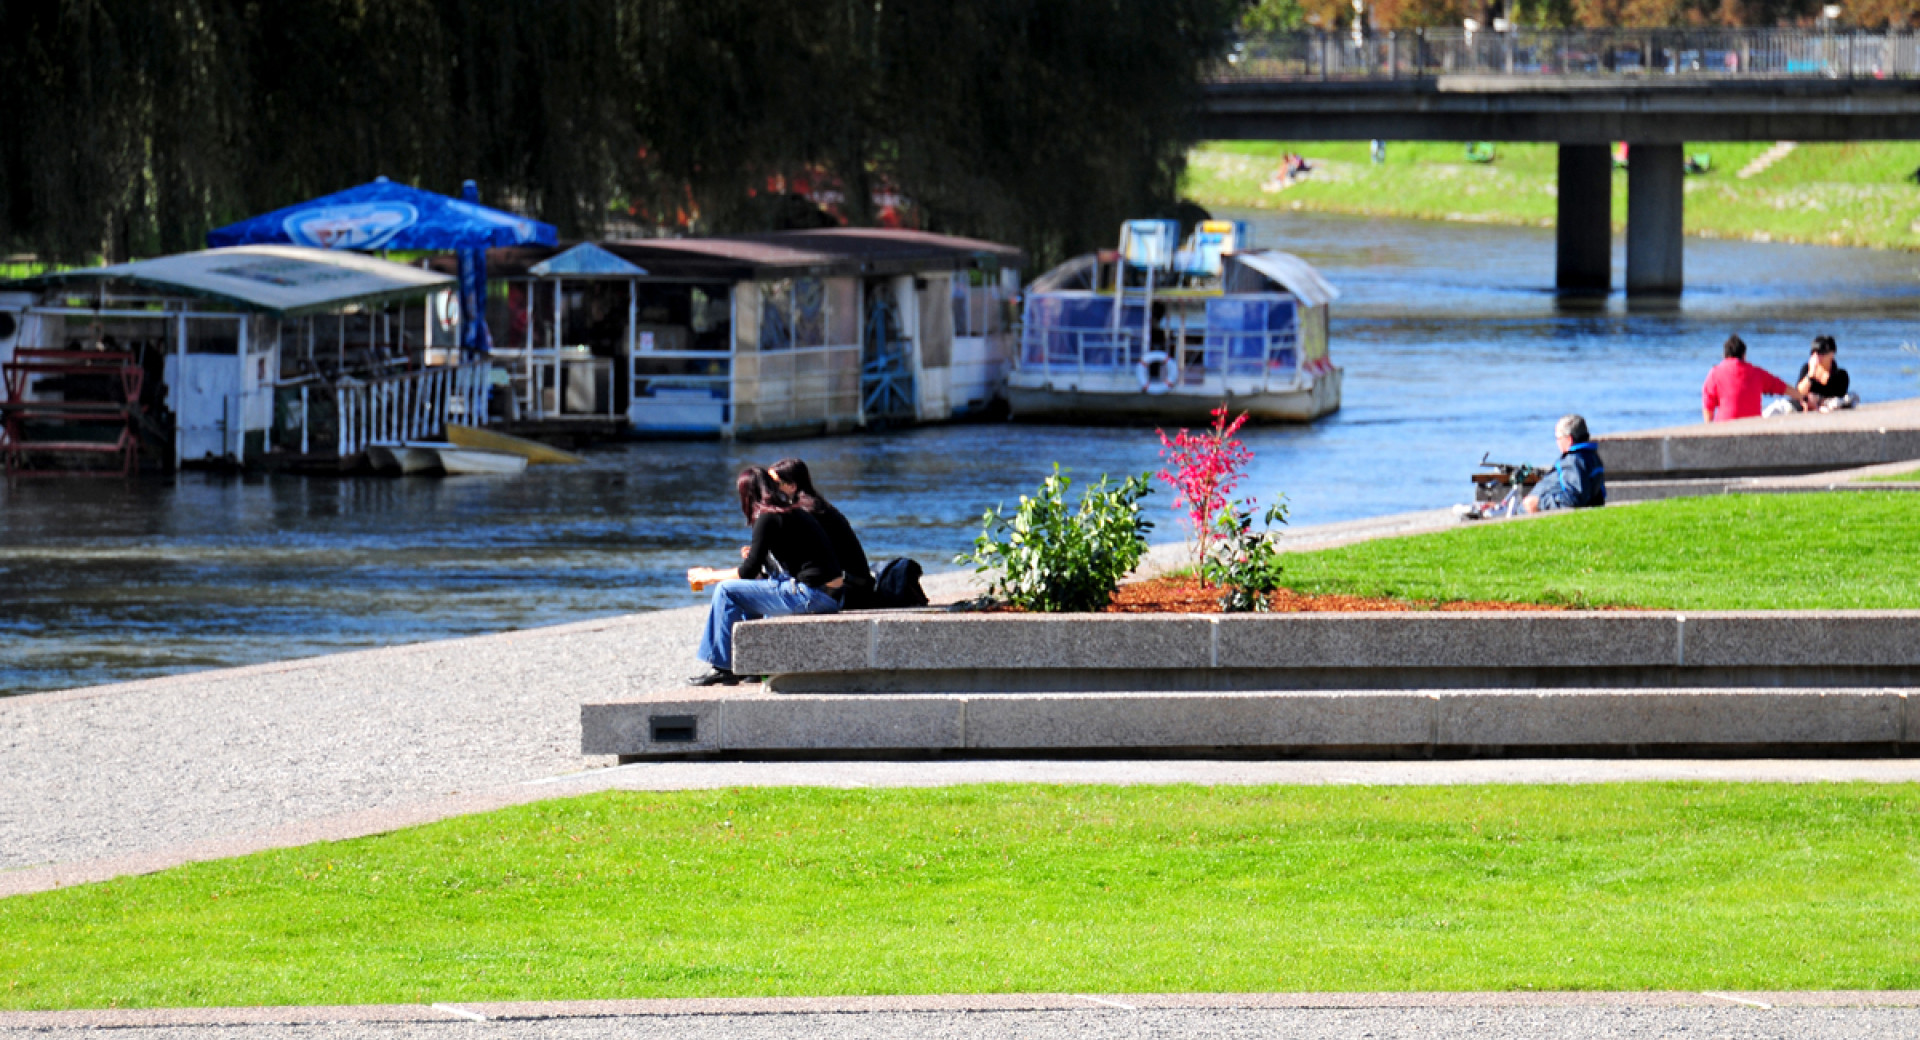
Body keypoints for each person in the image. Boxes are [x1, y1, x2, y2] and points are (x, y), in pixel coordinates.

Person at [691, 467, 844, 686]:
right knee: (750, 589)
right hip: (830, 594)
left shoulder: (767, 517)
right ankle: (751, 665)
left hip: (811, 595)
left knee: (726, 590)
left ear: (747, 494)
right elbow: (783, 561)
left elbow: (747, 571)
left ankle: (723, 666)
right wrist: (755, 556)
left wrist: (708, 576)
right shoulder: (790, 511)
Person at [768, 456, 877, 607]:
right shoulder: (811, 504)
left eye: (774, 484)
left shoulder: (808, 512)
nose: (768, 489)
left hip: (848, 589)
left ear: (792, 486)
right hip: (856, 583)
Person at [1701, 334, 1802, 423]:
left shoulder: (1715, 373)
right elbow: (1781, 387)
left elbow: (1708, 405)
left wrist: (1708, 426)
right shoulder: (1757, 373)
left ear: (1724, 355)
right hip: (1753, 425)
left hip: (1724, 425)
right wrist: (1802, 397)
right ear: (1744, 355)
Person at [1524, 414, 1607, 513]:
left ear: (1569, 439)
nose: (1557, 442)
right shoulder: (1592, 457)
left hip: (1535, 511)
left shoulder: (1574, 461)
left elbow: (1573, 500)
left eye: (1558, 438)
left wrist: (1539, 503)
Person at [1795, 335, 1856, 411]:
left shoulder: (1841, 375)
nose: (1818, 356)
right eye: (1814, 353)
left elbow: (1840, 395)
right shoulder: (1806, 369)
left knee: (1849, 398)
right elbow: (1799, 392)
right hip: (1806, 404)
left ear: (1832, 353)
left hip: (1829, 405)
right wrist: (1810, 375)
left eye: (1822, 353)